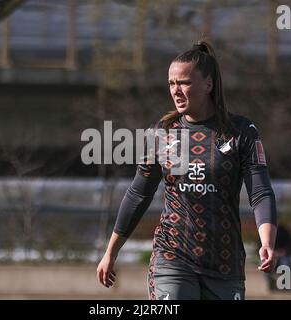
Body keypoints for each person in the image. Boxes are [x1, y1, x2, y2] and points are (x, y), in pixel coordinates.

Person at [96, 39, 277, 300]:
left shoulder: (241, 132)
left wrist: (268, 242)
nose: (176, 90)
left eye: (185, 83)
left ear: (209, 84)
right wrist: (110, 252)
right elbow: (138, 194)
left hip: (225, 264)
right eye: (171, 83)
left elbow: (260, 191)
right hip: (173, 257)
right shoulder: (162, 133)